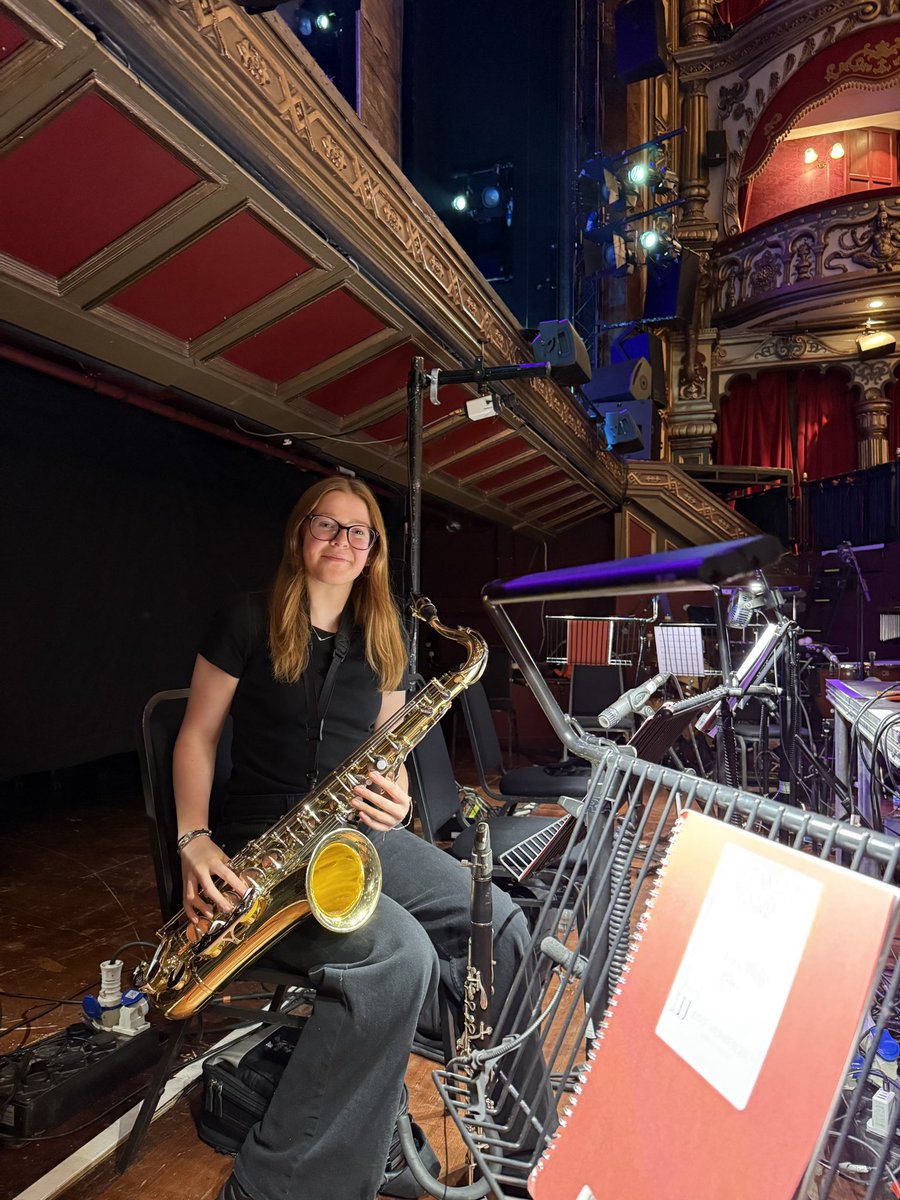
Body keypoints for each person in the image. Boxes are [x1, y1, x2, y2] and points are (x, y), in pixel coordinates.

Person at [173, 474, 536, 1200]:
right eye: (326, 526)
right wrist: (193, 837)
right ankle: (280, 1184)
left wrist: (399, 798)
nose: (341, 541)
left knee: (503, 924)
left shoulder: (390, 635)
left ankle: (521, 1153)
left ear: (374, 551)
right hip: (263, 850)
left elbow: (387, 753)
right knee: (396, 957)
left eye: (357, 531)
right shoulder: (245, 619)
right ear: (299, 534)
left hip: (356, 837)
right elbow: (197, 735)